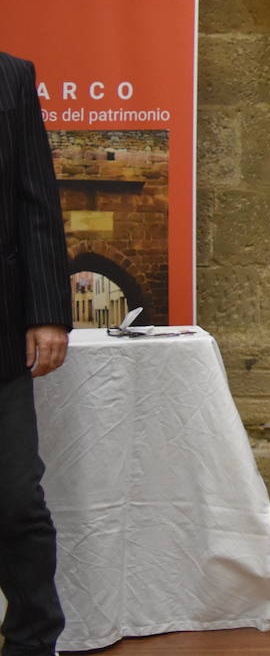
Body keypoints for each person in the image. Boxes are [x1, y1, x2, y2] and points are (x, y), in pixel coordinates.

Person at [0, 50, 72, 656]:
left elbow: (37, 204)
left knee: (16, 499)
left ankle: (31, 641)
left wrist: (48, 312)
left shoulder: (11, 77)